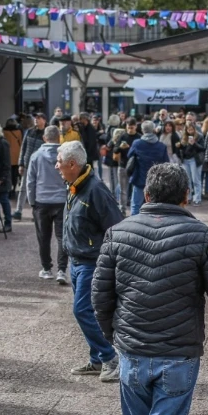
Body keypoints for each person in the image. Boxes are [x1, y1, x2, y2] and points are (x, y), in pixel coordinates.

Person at [93, 164, 208, 415]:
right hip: (179, 353)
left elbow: (100, 296)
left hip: (133, 350)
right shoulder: (202, 236)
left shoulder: (118, 233)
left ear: (147, 194)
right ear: (185, 196)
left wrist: (113, 336)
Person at [57, 140, 123, 382]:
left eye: (60, 162)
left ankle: (109, 359)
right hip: (77, 259)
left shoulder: (95, 189)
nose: (57, 166)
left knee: (82, 309)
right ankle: (97, 360)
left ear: (73, 164)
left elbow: (116, 226)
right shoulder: (75, 184)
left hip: (91, 261)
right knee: (87, 311)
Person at [27, 126, 69, 284]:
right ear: (59, 137)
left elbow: (30, 182)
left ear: (44, 138)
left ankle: (46, 269)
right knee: (62, 237)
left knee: (43, 237)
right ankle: (62, 270)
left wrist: (32, 201)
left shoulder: (36, 156)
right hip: (61, 200)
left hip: (42, 200)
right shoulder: (64, 155)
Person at [126, 121, 170, 216]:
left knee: (136, 206)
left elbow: (129, 155)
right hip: (155, 180)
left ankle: (134, 226)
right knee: (154, 207)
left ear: (142, 130)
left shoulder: (137, 143)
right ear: (154, 130)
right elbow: (166, 163)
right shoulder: (161, 146)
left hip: (139, 179)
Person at [15, 113, 48, 220]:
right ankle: (18, 211)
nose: (36, 120)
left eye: (38, 118)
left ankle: (36, 212)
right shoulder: (29, 131)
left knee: (38, 189)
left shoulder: (47, 134)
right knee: (23, 188)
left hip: (40, 166)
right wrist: (21, 163)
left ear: (44, 120)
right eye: (35, 118)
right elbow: (23, 148)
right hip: (27, 164)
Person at [112, 118, 141, 215]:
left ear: (136, 127)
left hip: (135, 166)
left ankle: (134, 210)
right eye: (129, 127)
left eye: (132, 127)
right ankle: (122, 209)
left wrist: (131, 148)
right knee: (123, 189)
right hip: (123, 165)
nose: (130, 129)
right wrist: (120, 147)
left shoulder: (139, 137)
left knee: (135, 189)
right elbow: (115, 149)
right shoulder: (122, 136)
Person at [177, 120, 204, 205]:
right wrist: (180, 145)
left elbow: (203, 148)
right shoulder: (183, 136)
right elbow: (182, 148)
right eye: (188, 130)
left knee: (196, 180)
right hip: (185, 160)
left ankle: (197, 199)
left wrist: (194, 143)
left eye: (191, 129)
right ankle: (188, 197)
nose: (190, 131)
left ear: (194, 129)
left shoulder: (199, 136)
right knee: (187, 180)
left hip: (194, 160)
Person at [3, 116, 25, 204]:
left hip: (7, 155)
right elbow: (21, 141)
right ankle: (14, 189)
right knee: (15, 174)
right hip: (17, 154)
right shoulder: (18, 131)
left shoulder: (4, 132)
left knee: (8, 173)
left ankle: (8, 189)